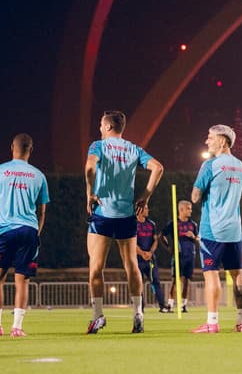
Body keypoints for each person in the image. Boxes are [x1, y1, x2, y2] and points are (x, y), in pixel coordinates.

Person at [85, 110, 164, 335]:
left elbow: (90, 166)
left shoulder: (98, 146)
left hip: (103, 214)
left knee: (96, 267)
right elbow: (158, 168)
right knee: (131, 265)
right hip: (126, 214)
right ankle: (138, 313)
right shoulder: (134, 149)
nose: (100, 128)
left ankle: (98, 316)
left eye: (101, 124)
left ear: (108, 127)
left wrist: (90, 193)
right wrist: (145, 196)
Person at [0, 133, 49, 337]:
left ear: (12, 147)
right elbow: (42, 211)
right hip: (29, 231)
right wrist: (37, 232)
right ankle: (17, 328)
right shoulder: (39, 175)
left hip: (5, 231)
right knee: (22, 281)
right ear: (31, 149)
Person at [190, 124, 242, 333]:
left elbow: (195, 197)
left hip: (213, 229)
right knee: (238, 275)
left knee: (211, 274)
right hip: (234, 230)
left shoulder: (210, 165)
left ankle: (212, 322)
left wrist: (199, 191)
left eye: (210, 137)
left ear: (222, 141)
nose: (207, 141)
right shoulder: (241, 166)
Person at [161, 200, 199, 313]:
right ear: (181, 209)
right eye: (188, 208)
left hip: (190, 255)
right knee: (175, 281)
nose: (190, 210)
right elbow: (161, 235)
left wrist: (193, 236)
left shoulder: (193, 224)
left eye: (190, 208)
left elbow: (198, 239)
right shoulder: (173, 223)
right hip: (178, 256)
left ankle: (183, 305)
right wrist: (169, 248)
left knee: (187, 281)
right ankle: (170, 305)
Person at [135, 204, 167, 313]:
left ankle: (162, 306)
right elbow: (131, 242)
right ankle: (140, 308)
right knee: (139, 283)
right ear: (139, 210)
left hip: (150, 259)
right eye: (146, 208)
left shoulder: (151, 224)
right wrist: (141, 253)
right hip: (137, 259)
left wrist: (150, 252)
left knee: (155, 281)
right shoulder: (133, 224)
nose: (148, 210)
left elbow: (155, 240)